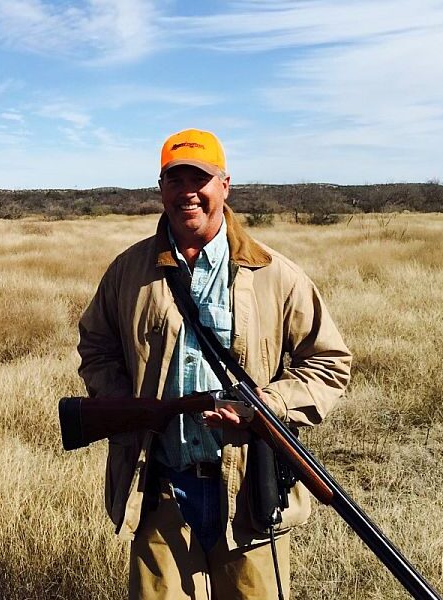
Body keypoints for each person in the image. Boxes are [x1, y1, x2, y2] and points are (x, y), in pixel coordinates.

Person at [77, 128, 352, 600]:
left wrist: (269, 405)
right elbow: (97, 346)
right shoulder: (128, 270)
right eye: (175, 179)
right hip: (161, 487)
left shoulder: (275, 274)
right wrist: (130, 408)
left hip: (248, 492)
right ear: (161, 189)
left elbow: (329, 362)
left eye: (199, 179)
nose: (188, 192)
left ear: (225, 186)